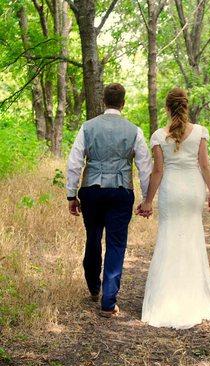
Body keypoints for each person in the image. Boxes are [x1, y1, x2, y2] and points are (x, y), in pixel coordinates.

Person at [137, 87, 210, 329]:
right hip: (193, 189)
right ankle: (192, 293)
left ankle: (167, 297)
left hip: (171, 191)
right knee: (192, 239)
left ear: (167, 107)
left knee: (169, 238)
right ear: (186, 105)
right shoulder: (199, 133)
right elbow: (204, 166)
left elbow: (158, 171)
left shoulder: (158, 135)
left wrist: (147, 201)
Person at [66, 83, 152, 318]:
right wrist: (147, 199)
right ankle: (107, 301)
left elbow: (75, 163)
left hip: (91, 190)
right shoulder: (134, 130)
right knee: (116, 243)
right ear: (123, 103)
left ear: (104, 102)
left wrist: (71, 194)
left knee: (92, 237)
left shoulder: (87, 127)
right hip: (120, 192)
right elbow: (145, 167)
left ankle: (94, 287)